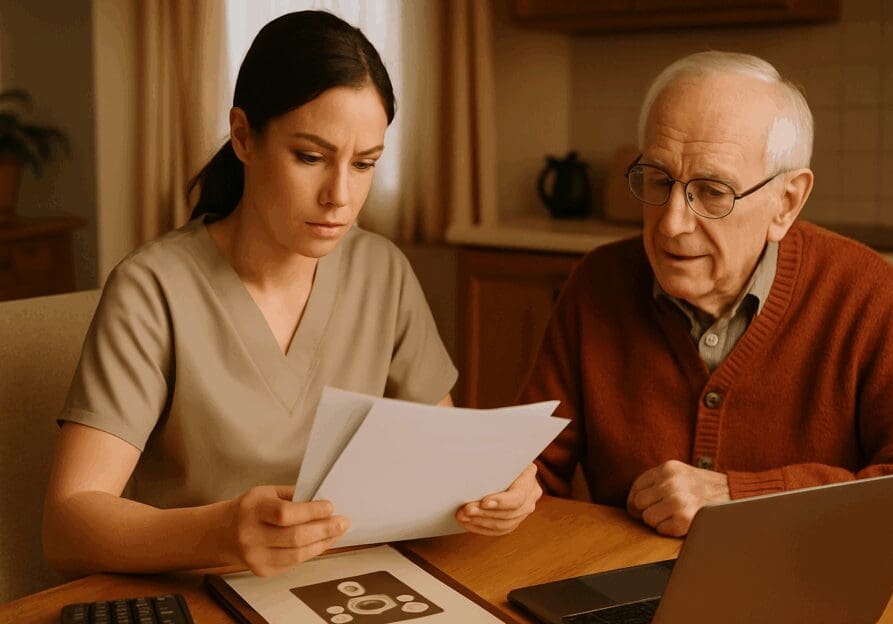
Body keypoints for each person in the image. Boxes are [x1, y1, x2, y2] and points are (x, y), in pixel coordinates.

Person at [43, 11, 540, 579]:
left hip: (356, 586)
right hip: (202, 602)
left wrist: (497, 484)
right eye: (310, 157)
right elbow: (66, 524)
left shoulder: (383, 272)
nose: (340, 197)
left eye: (365, 164)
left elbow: (442, 459)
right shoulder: (151, 290)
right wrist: (220, 532)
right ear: (243, 136)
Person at [519, 51, 893, 551]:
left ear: (786, 202)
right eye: (658, 181)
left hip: (801, 594)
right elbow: (534, 467)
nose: (672, 223)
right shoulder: (597, 283)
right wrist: (507, 484)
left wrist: (745, 499)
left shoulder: (861, 291)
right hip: (622, 589)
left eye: (712, 191)